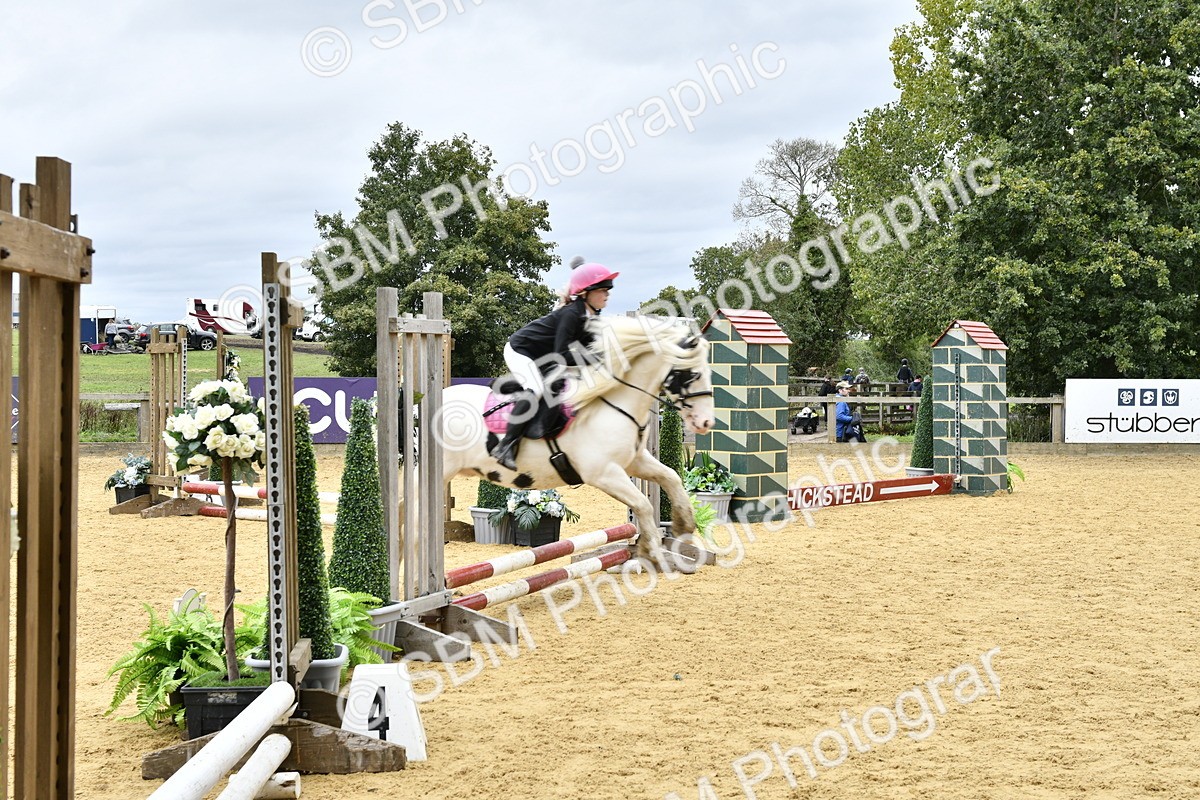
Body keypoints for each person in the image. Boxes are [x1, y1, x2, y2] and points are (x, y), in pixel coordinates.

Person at [491, 256, 619, 469]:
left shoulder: (589, 316)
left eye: (608, 289)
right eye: (602, 290)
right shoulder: (571, 315)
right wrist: (596, 358)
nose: (607, 294)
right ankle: (505, 446)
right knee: (536, 387)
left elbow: (592, 348)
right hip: (521, 350)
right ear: (586, 293)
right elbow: (562, 355)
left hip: (542, 355)